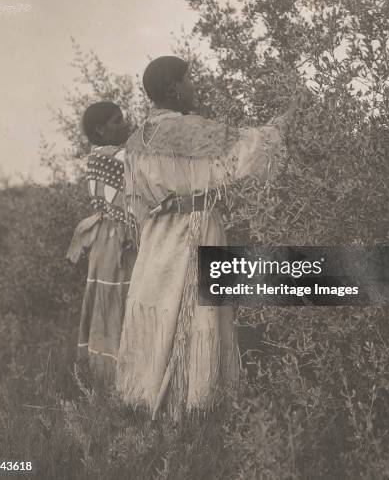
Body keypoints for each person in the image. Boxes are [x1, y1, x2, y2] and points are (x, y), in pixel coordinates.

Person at [115, 56, 302, 420]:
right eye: (189, 81)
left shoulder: (136, 140)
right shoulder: (192, 130)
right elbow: (251, 147)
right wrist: (284, 120)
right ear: (173, 89)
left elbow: (134, 202)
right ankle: (197, 406)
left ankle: (146, 398)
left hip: (156, 238)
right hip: (195, 229)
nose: (193, 88)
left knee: (159, 306)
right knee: (197, 311)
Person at [66, 102, 138, 387]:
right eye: (116, 121)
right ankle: (125, 378)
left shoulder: (96, 157)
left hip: (104, 241)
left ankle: (106, 376)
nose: (124, 124)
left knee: (107, 303)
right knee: (123, 300)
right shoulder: (119, 157)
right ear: (100, 129)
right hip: (121, 240)